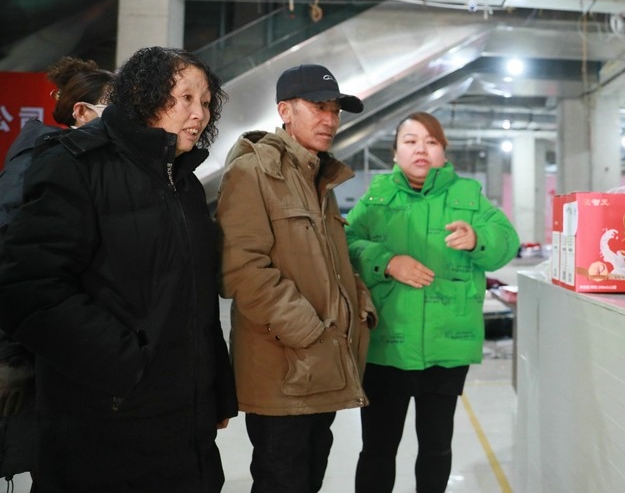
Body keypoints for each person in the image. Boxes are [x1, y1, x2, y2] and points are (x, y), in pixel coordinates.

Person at [0, 46, 237, 493]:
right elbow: (29, 288)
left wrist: (216, 386)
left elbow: (196, 297)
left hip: (183, 418)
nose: (199, 114)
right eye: (185, 98)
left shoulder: (183, 181)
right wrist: (127, 365)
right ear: (144, 96)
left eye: (206, 102)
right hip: (103, 418)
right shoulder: (76, 163)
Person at [216, 63, 377, 493]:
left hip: (322, 364)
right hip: (284, 370)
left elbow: (331, 262)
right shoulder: (252, 172)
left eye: (336, 111)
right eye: (318, 107)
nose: (330, 120)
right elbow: (241, 269)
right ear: (285, 111)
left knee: (310, 478)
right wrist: (308, 330)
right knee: (282, 480)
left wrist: (358, 305)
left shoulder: (318, 177)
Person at [345, 111, 520, 493]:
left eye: (431, 141)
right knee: (377, 449)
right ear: (395, 153)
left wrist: (478, 239)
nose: (420, 149)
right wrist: (387, 261)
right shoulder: (377, 198)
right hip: (386, 345)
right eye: (410, 141)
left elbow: (508, 241)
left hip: (447, 346)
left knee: (436, 447)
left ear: (444, 150)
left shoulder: (468, 196)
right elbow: (346, 243)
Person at [0, 56, 114, 481]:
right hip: (31, 350)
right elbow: (12, 260)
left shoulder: (91, 165)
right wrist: (11, 355)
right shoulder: (38, 163)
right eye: (113, 109)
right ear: (81, 112)